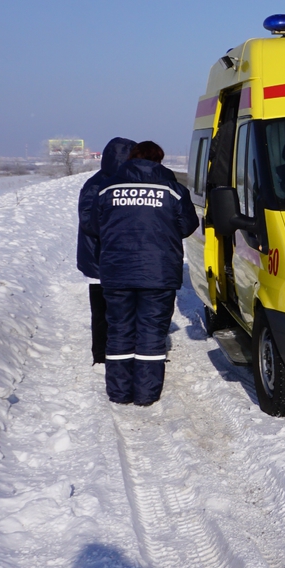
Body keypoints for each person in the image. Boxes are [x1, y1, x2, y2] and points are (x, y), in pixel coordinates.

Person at [84, 140, 199, 406]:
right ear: (159, 161)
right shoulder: (173, 190)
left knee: (120, 329)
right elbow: (188, 225)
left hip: (116, 272)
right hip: (158, 273)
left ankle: (119, 392)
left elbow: (92, 226)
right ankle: (146, 394)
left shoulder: (107, 189)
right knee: (151, 331)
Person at [76, 138, 135, 364]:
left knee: (122, 310)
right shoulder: (96, 185)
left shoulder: (120, 182)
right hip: (99, 259)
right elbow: (90, 222)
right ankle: (101, 356)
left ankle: (123, 351)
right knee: (102, 311)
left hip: (118, 258)